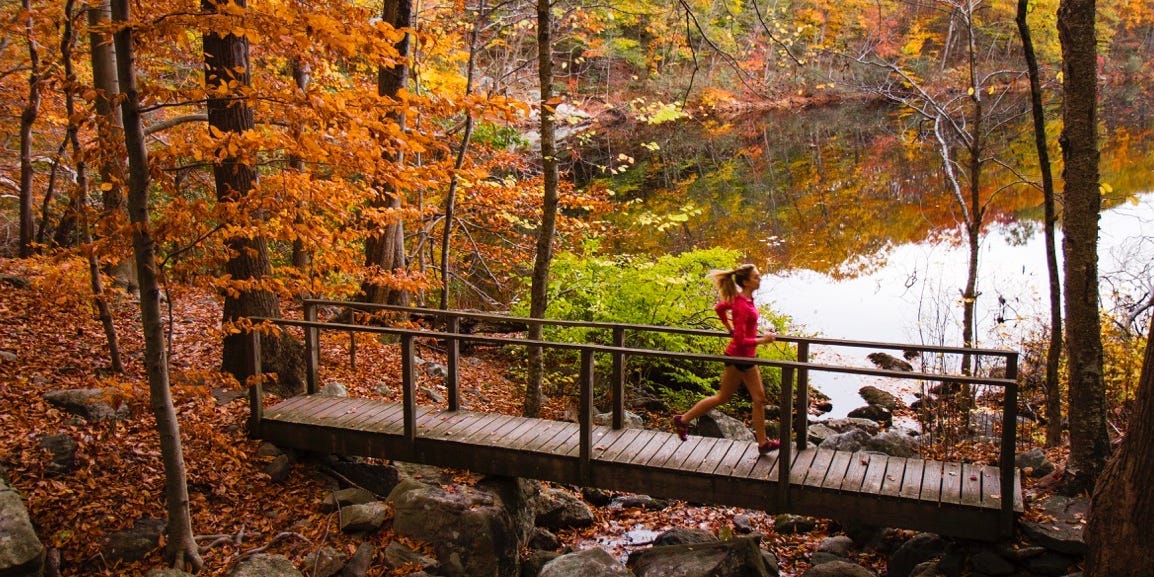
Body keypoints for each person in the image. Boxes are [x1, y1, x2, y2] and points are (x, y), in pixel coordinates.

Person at [672, 264, 780, 454]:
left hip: (748, 358)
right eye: (756, 277)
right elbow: (739, 340)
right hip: (737, 357)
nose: (759, 279)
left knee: (759, 398)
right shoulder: (741, 305)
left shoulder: (743, 300)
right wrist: (763, 340)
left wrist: (729, 326)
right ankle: (683, 420)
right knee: (723, 397)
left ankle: (763, 444)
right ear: (746, 282)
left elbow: (719, 308)